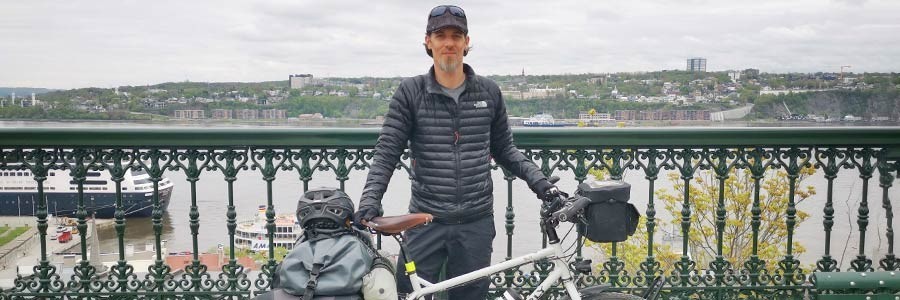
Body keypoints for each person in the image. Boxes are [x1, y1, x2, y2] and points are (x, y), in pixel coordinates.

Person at [353, 5, 559, 299]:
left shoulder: (488, 93)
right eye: (441, 35)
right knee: (408, 295)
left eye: (456, 35)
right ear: (428, 42)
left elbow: (506, 150)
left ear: (466, 42)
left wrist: (542, 184)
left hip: (475, 223)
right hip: (425, 220)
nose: (449, 42)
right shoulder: (410, 92)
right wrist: (369, 201)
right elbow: (387, 152)